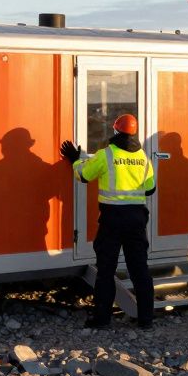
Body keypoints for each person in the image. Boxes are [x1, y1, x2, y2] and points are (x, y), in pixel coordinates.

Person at [61, 114, 155, 329]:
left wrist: (75, 159)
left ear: (115, 131)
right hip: (137, 219)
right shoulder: (143, 157)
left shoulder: (106, 154)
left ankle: (102, 319)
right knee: (140, 269)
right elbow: (150, 188)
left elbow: (83, 175)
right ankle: (146, 319)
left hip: (112, 219)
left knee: (105, 269)